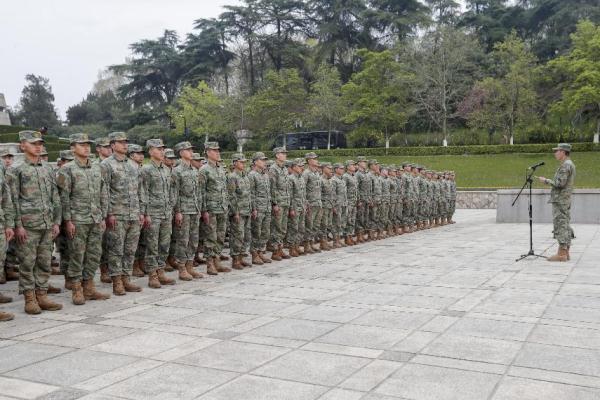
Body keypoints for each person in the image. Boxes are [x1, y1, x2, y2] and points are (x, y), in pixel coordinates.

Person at [7, 131, 62, 314]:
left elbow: (54, 196)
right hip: (28, 226)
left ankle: (42, 294)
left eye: (40, 143)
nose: (38, 147)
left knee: (45, 261)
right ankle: (29, 298)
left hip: (46, 223)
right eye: (33, 143)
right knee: (27, 263)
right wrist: (18, 225)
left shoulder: (47, 168)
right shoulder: (16, 169)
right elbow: (12, 199)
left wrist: (56, 221)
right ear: (23, 146)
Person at [56, 133, 110, 305]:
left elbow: (102, 192)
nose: (86, 147)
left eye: (88, 144)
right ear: (73, 148)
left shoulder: (96, 167)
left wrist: (102, 216)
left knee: (94, 254)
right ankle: (77, 288)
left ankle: (89, 286)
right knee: (77, 255)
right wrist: (67, 221)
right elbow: (63, 197)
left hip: (94, 218)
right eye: (82, 145)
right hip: (77, 219)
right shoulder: (67, 169)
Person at [101, 132, 144, 295]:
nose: (125, 145)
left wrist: (140, 211)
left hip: (133, 213)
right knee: (116, 249)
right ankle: (116, 281)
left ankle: (126, 278)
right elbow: (104, 190)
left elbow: (138, 190)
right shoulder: (106, 165)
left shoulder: (133, 165)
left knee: (130, 249)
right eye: (120, 142)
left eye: (125, 142)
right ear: (112, 145)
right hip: (117, 214)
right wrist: (109, 213)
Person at [141, 139, 178, 288]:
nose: (162, 151)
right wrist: (146, 213)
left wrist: (171, 207)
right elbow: (144, 192)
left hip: (165, 213)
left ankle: (161, 271)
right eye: (158, 149)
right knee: (152, 245)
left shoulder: (166, 170)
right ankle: (152, 275)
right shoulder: (146, 170)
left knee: (164, 244)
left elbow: (171, 191)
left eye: (163, 149)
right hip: (153, 213)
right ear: (150, 151)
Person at [169, 141, 203, 280]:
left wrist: (199, 208)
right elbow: (174, 193)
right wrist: (177, 211)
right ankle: (182, 268)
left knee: (193, 240)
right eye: (188, 150)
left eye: (191, 149)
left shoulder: (194, 171)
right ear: (181, 152)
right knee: (183, 240)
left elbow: (198, 192)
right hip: (183, 210)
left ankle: (190, 266)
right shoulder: (176, 171)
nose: (191, 152)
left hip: (194, 209)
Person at [538, 143, 576, 262]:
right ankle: (565, 252)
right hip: (563, 199)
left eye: (557, 151)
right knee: (564, 223)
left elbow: (560, 183)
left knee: (561, 224)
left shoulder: (566, 165)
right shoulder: (568, 164)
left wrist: (546, 181)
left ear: (563, 152)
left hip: (561, 200)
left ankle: (562, 253)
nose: (555, 153)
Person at [199, 142, 231, 274]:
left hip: (222, 207)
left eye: (218, 150)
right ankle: (210, 263)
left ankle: (217, 260)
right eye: (214, 150)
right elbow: (201, 191)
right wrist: (204, 210)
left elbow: (225, 189)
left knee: (220, 236)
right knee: (210, 236)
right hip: (211, 209)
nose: (218, 152)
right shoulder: (204, 170)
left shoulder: (220, 169)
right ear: (207, 152)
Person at [227, 153, 252, 269]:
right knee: (237, 235)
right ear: (235, 163)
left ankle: (241, 257)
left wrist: (252, 208)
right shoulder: (232, 177)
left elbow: (249, 194)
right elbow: (231, 196)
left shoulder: (245, 176)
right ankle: (235, 259)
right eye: (241, 162)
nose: (243, 164)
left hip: (247, 210)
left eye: (244, 162)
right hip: (238, 211)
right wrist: (235, 211)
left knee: (246, 235)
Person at [248, 152, 272, 265]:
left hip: (266, 207)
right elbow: (251, 193)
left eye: (264, 160)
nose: (264, 162)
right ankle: (254, 254)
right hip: (258, 208)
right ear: (255, 162)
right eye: (262, 160)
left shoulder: (265, 175)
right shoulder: (252, 175)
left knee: (265, 232)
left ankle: (261, 251)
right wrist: (254, 209)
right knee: (256, 232)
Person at [302, 152, 322, 253]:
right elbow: (303, 189)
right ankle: (306, 245)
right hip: (310, 204)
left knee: (316, 225)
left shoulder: (317, 172)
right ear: (309, 161)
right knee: (309, 225)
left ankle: (311, 243)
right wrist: (305, 203)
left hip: (318, 203)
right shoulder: (306, 173)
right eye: (314, 158)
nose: (316, 160)